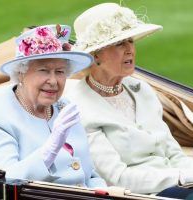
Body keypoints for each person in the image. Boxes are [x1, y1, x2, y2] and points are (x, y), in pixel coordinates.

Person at [65, 3, 193, 199]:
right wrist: (181, 177)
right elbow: (117, 178)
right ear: (95, 54)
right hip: (142, 195)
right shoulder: (79, 107)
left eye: (130, 41)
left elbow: (174, 153)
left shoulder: (142, 89)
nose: (130, 50)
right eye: (119, 43)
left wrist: (187, 175)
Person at [0, 24, 107, 188]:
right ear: (21, 72)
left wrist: (105, 193)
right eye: (44, 70)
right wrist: (48, 151)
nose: (53, 81)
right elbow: (3, 185)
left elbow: (90, 174)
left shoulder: (64, 107)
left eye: (60, 72)